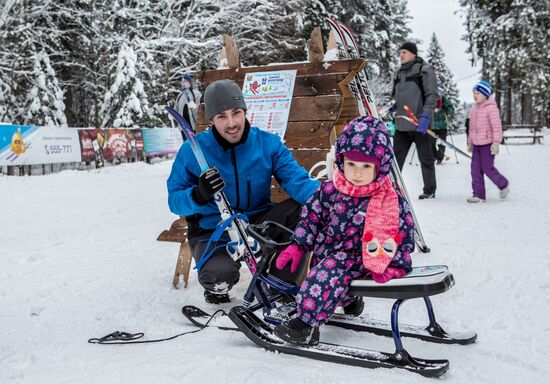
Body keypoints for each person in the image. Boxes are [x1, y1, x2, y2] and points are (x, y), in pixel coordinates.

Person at [167, 79, 320, 304]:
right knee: (220, 276)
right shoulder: (193, 150)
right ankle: (217, 286)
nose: (231, 123)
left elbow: (297, 181)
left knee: (301, 209)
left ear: (245, 111)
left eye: (236, 113)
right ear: (211, 120)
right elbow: (174, 200)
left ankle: (281, 286)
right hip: (214, 228)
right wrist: (198, 194)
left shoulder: (268, 144)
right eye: (221, 116)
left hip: (257, 221)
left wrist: (331, 200)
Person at [273, 116, 414, 345]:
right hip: (329, 253)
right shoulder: (330, 190)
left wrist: (395, 263)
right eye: (351, 165)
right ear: (341, 161)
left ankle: (305, 325)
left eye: (366, 166)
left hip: (366, 258)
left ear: (381, 167)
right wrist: (298, 245)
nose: (357, 174)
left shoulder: (389, 199)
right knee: (326, 270)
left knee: (324, 278)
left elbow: (403, 234)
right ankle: (350, 300)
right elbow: (311, 217)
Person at [391, 41, 439, 199]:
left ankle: (429, 190)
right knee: (395, 160)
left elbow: (432, 95)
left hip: (420, 125)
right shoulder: (398, 73)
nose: (401, 55)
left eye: (404, 52)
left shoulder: (424, 70)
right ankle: (391, 188)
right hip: (402, 125)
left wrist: (425, 116)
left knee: (426, 159)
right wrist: (392, 108)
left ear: (413, 53)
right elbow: (394, 97)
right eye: (400, 52)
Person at [466, 81, 510, 203]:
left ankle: (503, 184)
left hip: (487, 145)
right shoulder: (473, 109)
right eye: (474, 93)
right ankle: (478, 195)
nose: (475, 95)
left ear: (485, 94)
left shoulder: (491, 108)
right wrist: (470, 142)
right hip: (476, 145)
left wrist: (496, 142)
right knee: (475, 169)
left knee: (487, 168)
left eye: (478, 93)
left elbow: (497, 127)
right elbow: (471, 128)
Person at [432, 86, 455, 164]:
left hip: (442, 126)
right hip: (432, 126)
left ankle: (439, 158)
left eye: (440, 93)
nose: (439, 95)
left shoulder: (445, 101)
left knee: (442, 143)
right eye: (437, 93)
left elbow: (451, 110)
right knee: (430, 142)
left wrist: (447, 109)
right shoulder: (430, 101)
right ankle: (433, 156)